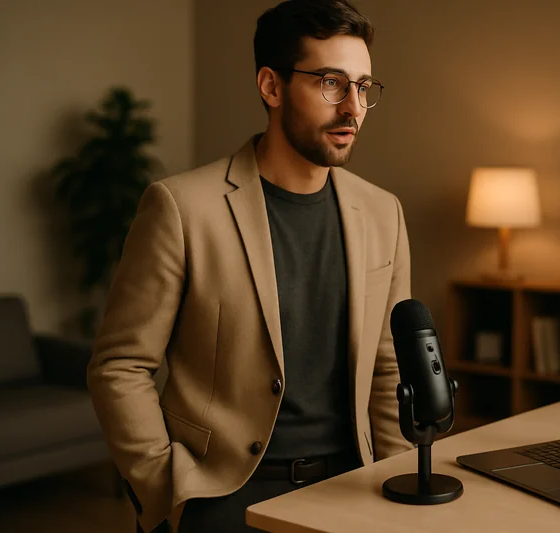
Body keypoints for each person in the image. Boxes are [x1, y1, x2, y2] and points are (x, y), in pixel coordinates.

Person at [86, 1, 413, 531]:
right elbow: (120, 366)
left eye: (363, 86)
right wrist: (165, 485)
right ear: (271, 86)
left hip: (354, 486)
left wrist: (400, 479)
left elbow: (388, 364)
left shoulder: (383, 213)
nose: (353, 107)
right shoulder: (181, 207)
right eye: (331, 82)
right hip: (225, 495)